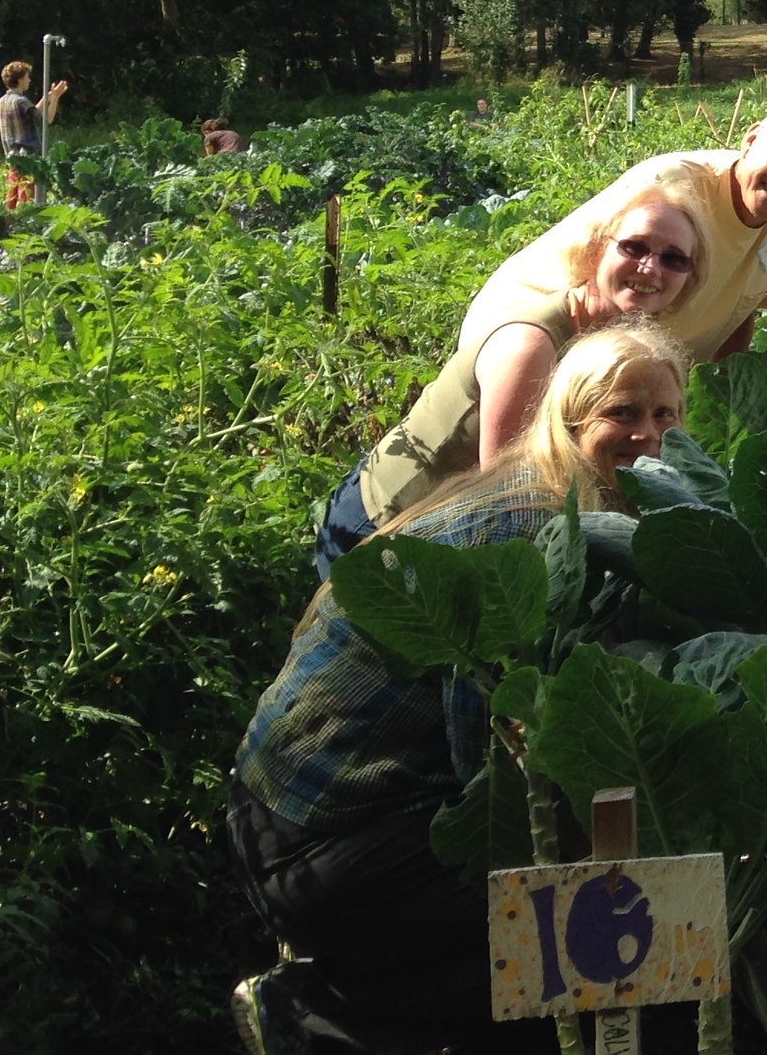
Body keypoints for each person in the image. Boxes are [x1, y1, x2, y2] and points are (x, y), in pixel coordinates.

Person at [228, 321, 687, 1055]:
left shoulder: (560, 493)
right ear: (570, 421)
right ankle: (319, 1014)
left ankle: (366, 983)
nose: (650, 435)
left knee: (600, 921)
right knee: (575, 945)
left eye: (666, 415)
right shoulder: (531, 528)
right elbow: (497, 769)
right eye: (622, 414)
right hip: (319, 844)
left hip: (327, 819)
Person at [311, 170, 710, 577]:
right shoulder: (530, 347)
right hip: (388, 523)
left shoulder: (623, 344)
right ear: (595, 251)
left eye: (673, 258)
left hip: (458, 532)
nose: (650, 268)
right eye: (634, 246)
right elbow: (508, 500)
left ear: (690, 278)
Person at [456, 93, 767, 366]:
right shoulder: (674, 188)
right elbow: (599, 295)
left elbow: (742, 309)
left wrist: (722, 401)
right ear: (751, 139)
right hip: (527, 341)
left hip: (633, 364)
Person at [0, 60, 65, 210]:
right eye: (27, 77)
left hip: (11, 155)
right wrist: (55, 98)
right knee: (26, 198)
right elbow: (46, 119)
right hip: (27, 157)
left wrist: (47, 97)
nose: (29, 80)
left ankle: (8, 227)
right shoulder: (21, 101)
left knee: (12, 197)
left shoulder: (2, 101)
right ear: (20, 79)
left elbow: (33, 111)